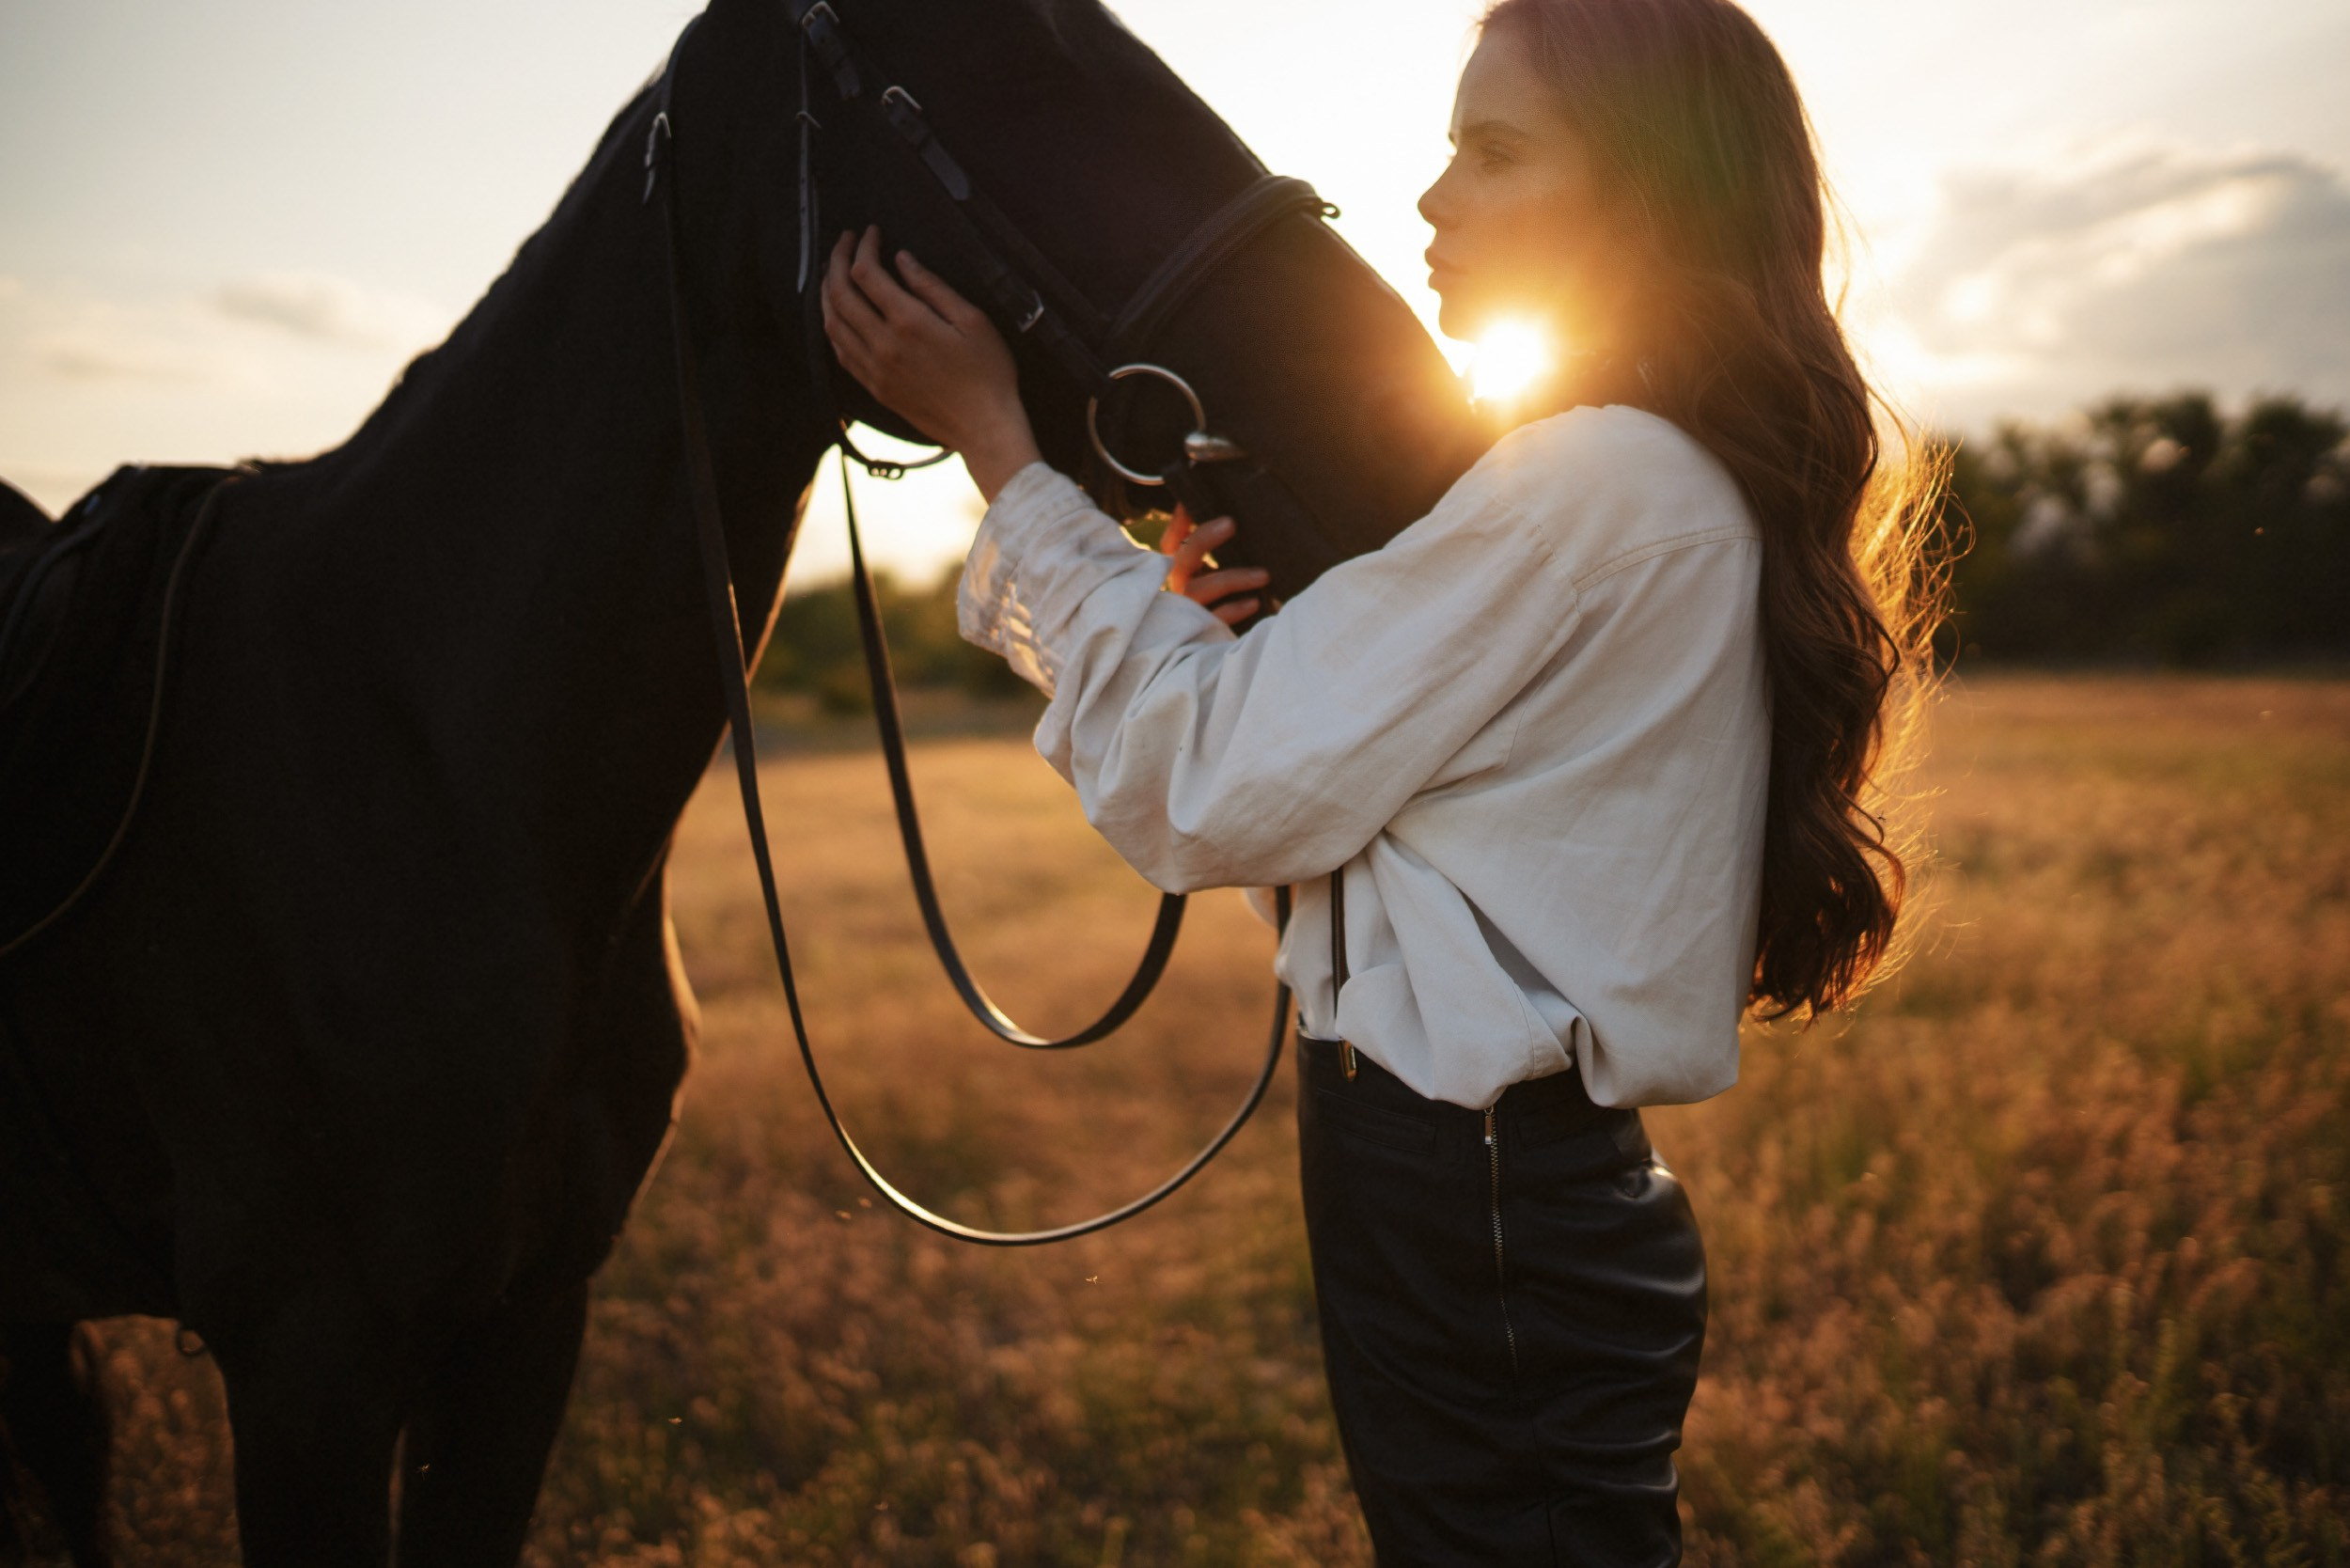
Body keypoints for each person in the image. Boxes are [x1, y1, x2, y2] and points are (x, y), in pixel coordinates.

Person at [817, 0, 1939, 1560]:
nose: (1433, 200)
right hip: (1496, 1190)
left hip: (1475, 1193)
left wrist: (999, 448)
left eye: (1497, 153)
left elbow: (1208, 790)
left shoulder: (1591, 480)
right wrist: (1186, 642)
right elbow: (1342, 789)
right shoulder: (1629, 477)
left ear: (1652, 192)